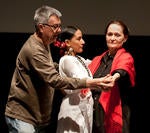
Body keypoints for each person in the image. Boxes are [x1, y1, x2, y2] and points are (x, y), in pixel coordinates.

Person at [4, 5, 114, 133]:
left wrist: (63, 65)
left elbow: (48, 66)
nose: (59, 30)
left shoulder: (45, 44)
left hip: (37, 117)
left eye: (59, 26)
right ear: (41, 27)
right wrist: (92, 83)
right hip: (23, 116)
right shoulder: (34, 49)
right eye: (55, 26)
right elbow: (54, 80)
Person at [88, 20, 136, 133]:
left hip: (114, 112)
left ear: (125, 38)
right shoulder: (97, 60)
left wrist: (113, 78)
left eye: (117, 35)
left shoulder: (126, 57)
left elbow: (123, 68)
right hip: (93, 114)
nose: (112, 38)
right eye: (110, 34)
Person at [55, 26, 94, 133]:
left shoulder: (79, 59)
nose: (83, 42)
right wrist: (99, 82)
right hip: (73, 109)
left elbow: (96, 64)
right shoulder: (67, 60)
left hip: (82, 106)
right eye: (79, 39)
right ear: (67, 42)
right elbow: (82, 80)